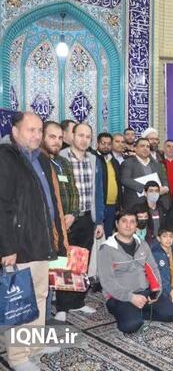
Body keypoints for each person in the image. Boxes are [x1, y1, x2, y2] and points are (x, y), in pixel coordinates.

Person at [0, 112, 65, 370]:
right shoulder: (6, 158)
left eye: (40, 130)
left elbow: (49, 202)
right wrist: (7, 247)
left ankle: (35, 344)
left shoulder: (42, 159)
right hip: (19, 245)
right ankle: (18, 357)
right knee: (20, 300)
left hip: (41, 240)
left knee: (40, 294)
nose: (37, 135)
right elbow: (2, 206)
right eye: (31, 130)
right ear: (15, 131)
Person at [98, 210, 173, 333]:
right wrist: (131, 298)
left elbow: (154, 268)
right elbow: (107, 281)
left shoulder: (142, 244)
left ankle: (136, 312)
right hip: (120, 297)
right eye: (124, 221)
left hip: (144, 292)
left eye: (132, 222)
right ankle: (129, 313)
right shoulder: (106, 249)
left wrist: (156, 291)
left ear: (136, 225)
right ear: (117, 224)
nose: (128, 225)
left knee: (171, 313)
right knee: (131, 326)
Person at [57, 123, 105, 319]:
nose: (84, 140)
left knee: (81, 262)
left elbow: (98, 192)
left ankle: (77, 302)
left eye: (88, 136)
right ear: (72, 136)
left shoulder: (94, 160)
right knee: (65, 262)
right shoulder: (60, 158)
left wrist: (99, 221)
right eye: (81, 135)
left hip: (87, 219)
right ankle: (62, 307)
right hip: (67, 220)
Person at [41, 121, 79, 239]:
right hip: (43, 226)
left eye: (60, 138)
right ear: (42, 137)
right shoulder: (36, 162)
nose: (57, 142)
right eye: (52, 137)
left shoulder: (64, 162)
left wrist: (72, 214)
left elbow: (73, 190)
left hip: (66, 225)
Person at [120, 137, 170, 209]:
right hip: (136, 204)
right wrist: (147, 189)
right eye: (142, 146)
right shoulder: (128, 163)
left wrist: (165, 187)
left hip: (155, 204)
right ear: (135, 148)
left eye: (147, 146)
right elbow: (125, 180)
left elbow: (164, 179)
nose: (145, 148)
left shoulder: (157, 164)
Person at [96, 132, 122, 235]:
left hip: (112, 206)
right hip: (99, 205)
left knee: (108, 235)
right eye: (103, 143)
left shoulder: (114, 161)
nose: (106, 146)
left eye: (109, 144)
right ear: (97, 144)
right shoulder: (93, 159)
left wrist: (118, 205)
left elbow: (118, 183)